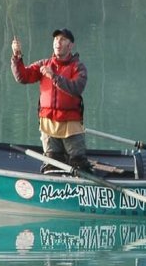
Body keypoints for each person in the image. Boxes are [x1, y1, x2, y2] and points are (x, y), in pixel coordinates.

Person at [11, 28, 91, 172]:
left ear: (70, 45)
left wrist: (54, 77)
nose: (58, 42)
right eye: (56, 39)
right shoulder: (44, 64)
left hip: (70, 127)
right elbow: (22, 77)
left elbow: (76, 88)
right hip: (48, 126)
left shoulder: (78, 67)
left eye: (63, 39)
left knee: (79, 165)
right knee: (52, 164)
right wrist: (17, 56)